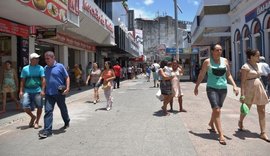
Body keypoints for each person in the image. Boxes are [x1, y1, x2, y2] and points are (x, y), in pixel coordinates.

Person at [194, 44, 239, 145]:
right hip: (211, 88)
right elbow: (201, 74)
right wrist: (196, 86)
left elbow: (228, 74)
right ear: (212, 51)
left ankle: (211, 123)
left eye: (221, 50)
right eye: (217, 50)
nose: (219, 52)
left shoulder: (225, 61)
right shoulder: (207, 62)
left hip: (223, 88)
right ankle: (221, 135)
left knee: (217, 109)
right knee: (217, 109)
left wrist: (235, 86)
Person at [239, 48, 270, 142]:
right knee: (246, 109)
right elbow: (243, 82)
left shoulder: (258, 65)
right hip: (249, 90)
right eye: (257, 55)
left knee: (262, 110)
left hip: (259, 88)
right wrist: (242, 95)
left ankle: (263, 133)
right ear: (251, 57)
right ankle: (240, 121)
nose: (259, 57)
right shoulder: (245, 67)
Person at [39, 51, 70, 138]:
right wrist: (42, 90)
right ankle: (47, 131)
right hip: (49, 94)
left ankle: (67, 121)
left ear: (53, 58)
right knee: (48, 111)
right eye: (45, 59)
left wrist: (67, 88)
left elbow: (67, 77)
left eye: (48, 58)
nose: (46, 60)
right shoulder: (45, 68)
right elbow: (44, 80)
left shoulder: (60, 66)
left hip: (60, 93)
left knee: (63, 109)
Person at [19, 53, 45, 129]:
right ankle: (33, 117)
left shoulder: (40, 68)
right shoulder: (25, 69)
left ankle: (37, 122)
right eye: (36, 58)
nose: (38, 60)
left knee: (39, 106)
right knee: (24, 105)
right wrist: (21, 91)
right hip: (27, 90)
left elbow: (43, 79)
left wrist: (43, 90)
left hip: (37, 90)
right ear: (31, 60)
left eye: (38, 58)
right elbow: (22, 80)